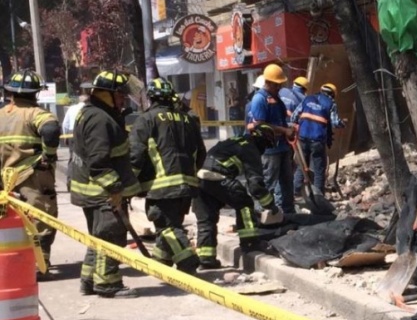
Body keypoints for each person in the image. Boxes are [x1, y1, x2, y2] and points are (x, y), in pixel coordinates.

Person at [70, 70, 142, 298]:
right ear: (106, 94)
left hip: (91, 190)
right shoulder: (100, 119)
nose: (123, 100)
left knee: (98, 236)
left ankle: (89, 280)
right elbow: (98, 162)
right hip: (101, 191)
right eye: (120, 95)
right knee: (110, 235)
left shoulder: (96, 113)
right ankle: (108, 283)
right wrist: (115, 190)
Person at [129, 79, 205, 274]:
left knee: (166, 225)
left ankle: (188, 260)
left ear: (151, 98)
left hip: (160, 187)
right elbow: (201, 153)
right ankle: (161, 262)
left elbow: (135, 155)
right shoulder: (188, 119)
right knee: (172, 224)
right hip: (187, 185)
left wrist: (128, 185)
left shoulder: (146, 120)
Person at [0, 70, 61, 275]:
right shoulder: (37, 113)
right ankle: (38, 264)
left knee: (7, 219)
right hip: (32, 174)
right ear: (35, 93)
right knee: (42, 215)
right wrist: (49, 156)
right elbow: (51, 130)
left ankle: (11, 262)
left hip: (4, 178)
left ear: (11, 93)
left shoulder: (1, 114)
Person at [193, 125, 281, 262]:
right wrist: (270, 204)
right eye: (267, 146)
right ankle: (250, 243)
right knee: (245, 204)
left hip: (200, 179)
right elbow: (255, 185)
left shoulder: (235, 140)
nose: (265, 150)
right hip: (218, 177)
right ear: (263, 140)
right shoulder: (251, 149)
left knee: (207, 219)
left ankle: (206, 259)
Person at [247, 64, 295, 216]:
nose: (280, 86)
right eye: (277, 84)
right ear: (269, 82)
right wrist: (284, 130)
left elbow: (280, 120)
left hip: (282, 147)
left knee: (287, 183)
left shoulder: (276, 99)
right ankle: (262, 212)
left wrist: (290, 127)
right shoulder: (259, 99)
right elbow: (260, 125)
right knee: (268, 183)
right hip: (269, 150)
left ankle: (288, 213)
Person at [296, 82, 344, 193]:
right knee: (318, 169)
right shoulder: (331, 103)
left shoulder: (308, 99)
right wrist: (342, 124)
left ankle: (296, 192)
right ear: (332, 94)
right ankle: (318, 194)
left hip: (302, 138)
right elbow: (335, 122)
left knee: (302, 166)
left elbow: (295, 116)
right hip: (317, 140)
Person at [288, 76, 310, 197]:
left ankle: (286, 189)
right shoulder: (303, 99)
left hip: (279, 132)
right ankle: (295, 189)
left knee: (285, 162)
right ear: (303, 88)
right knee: (299, 161)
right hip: (293, 133)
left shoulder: (283, 92)